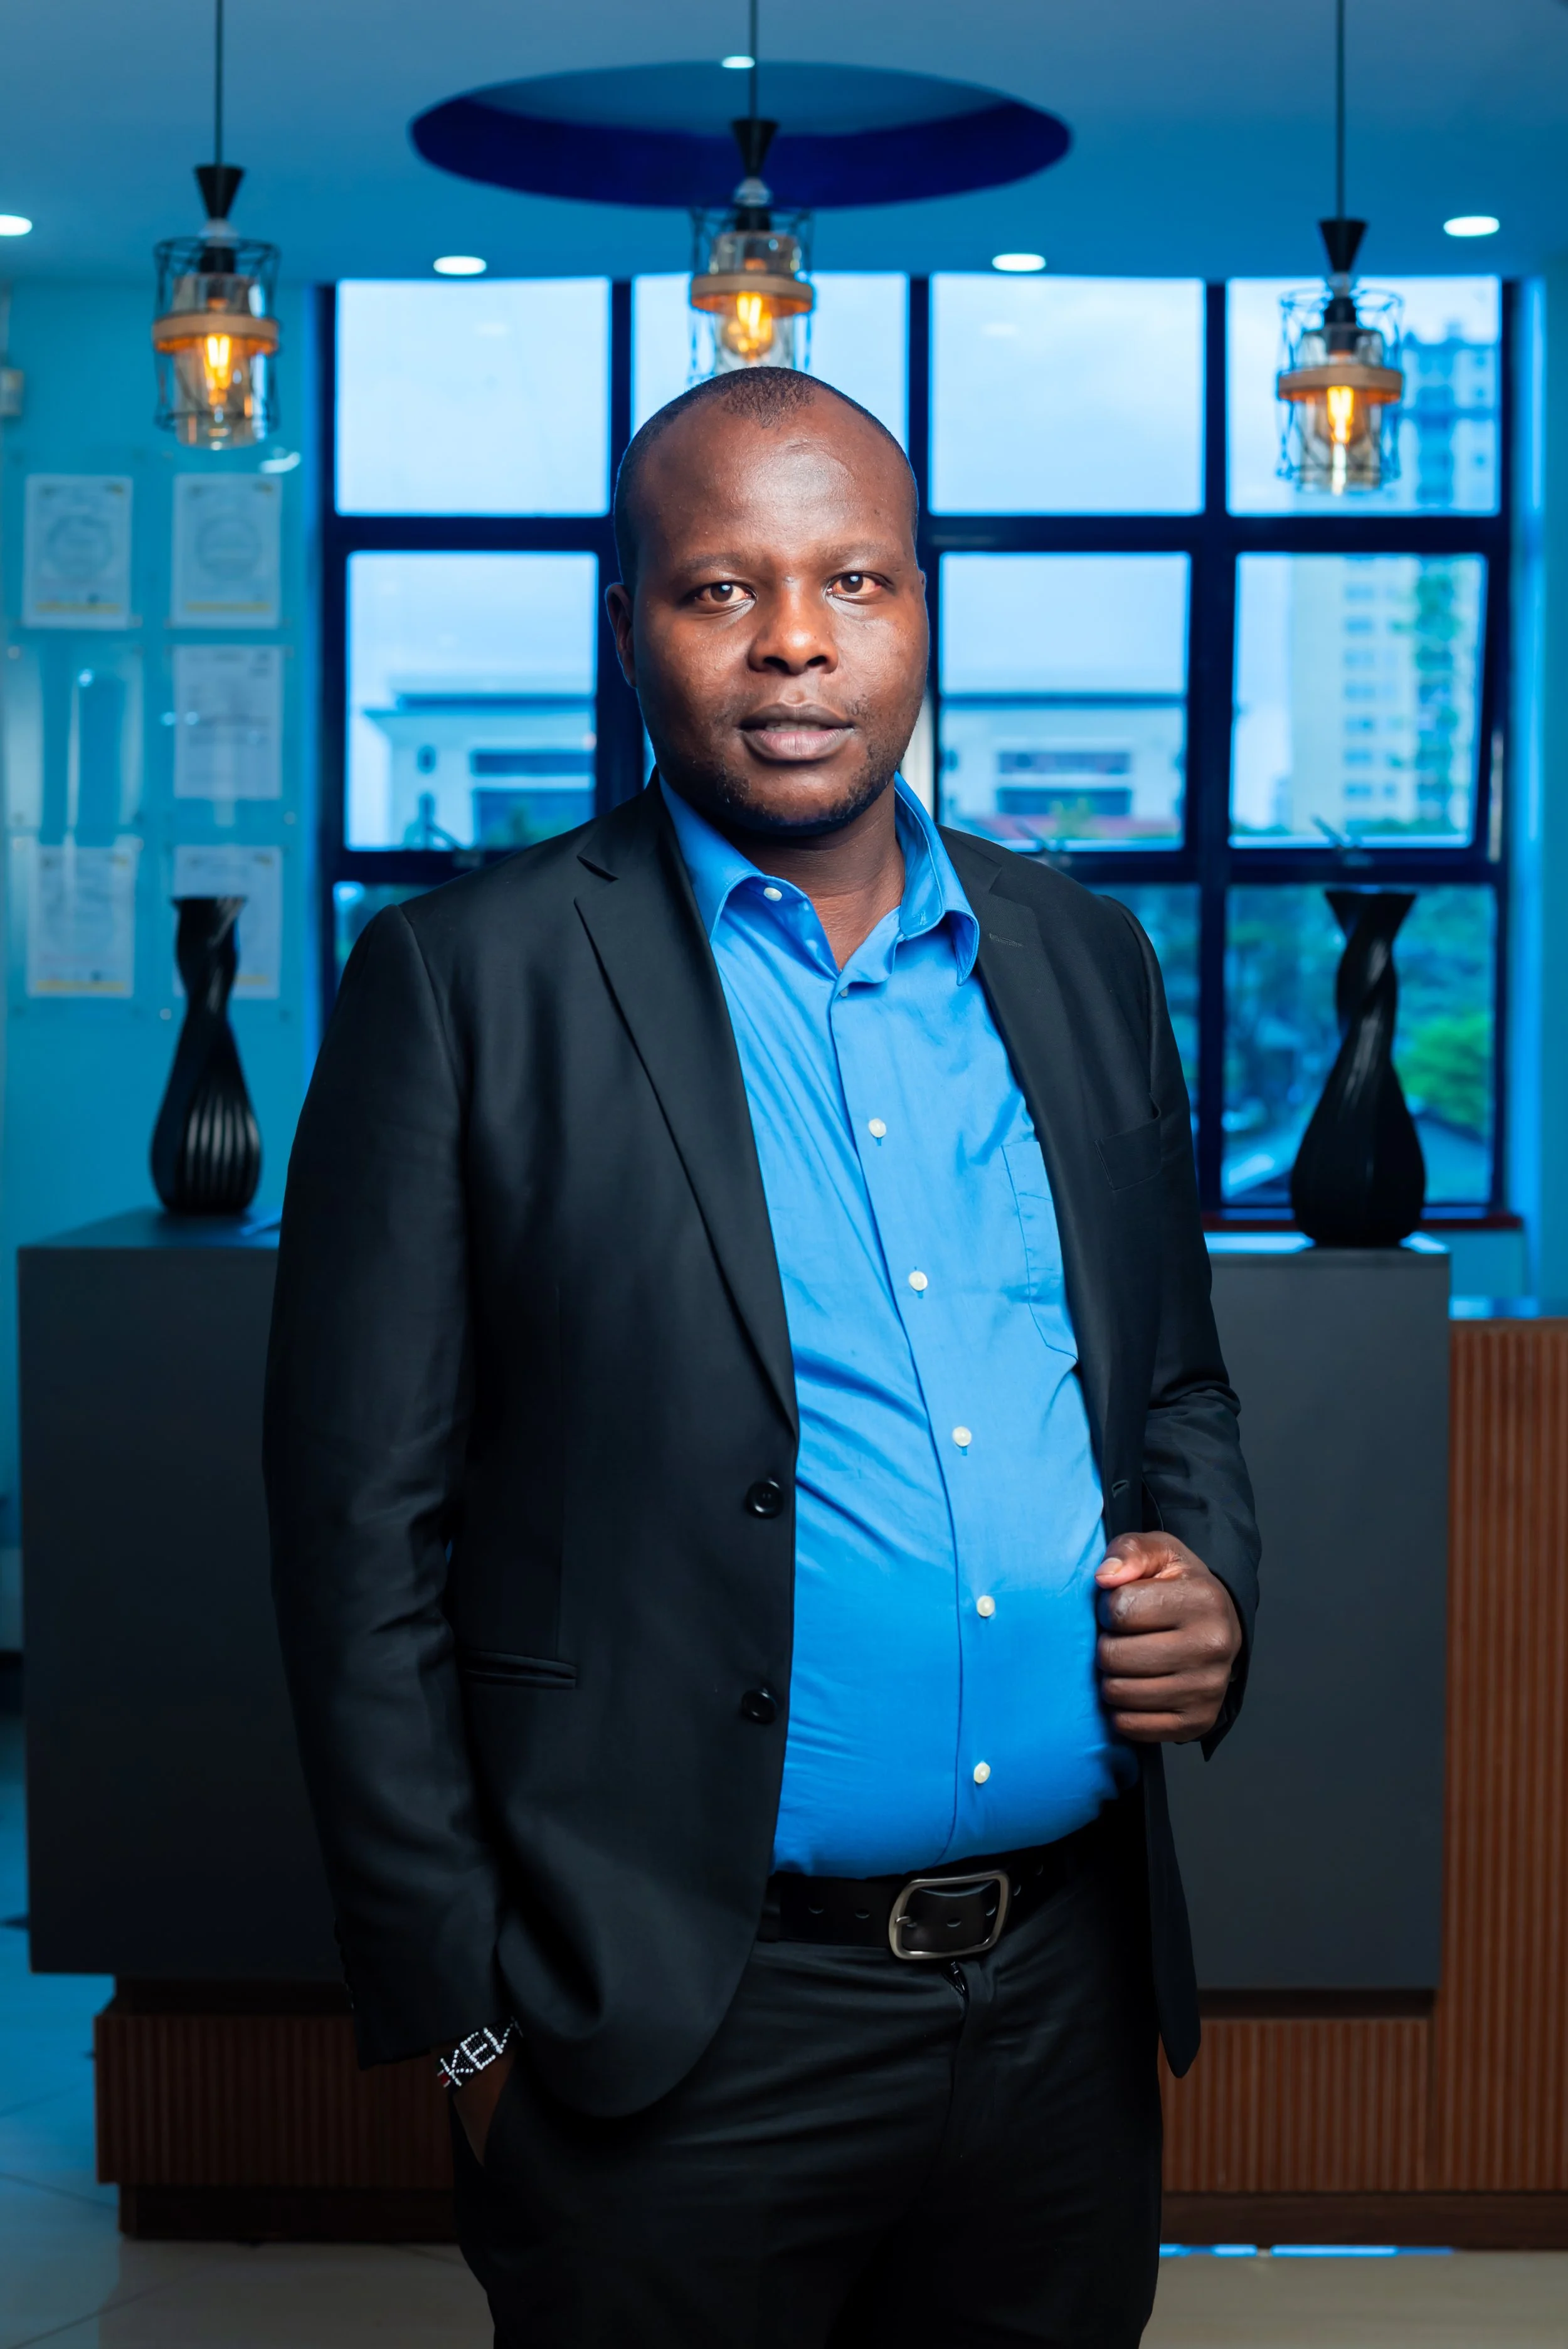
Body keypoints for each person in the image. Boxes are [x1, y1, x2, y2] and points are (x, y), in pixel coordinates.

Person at [265, 366, 1259, 2349]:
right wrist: (465, 2025)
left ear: (921, 609)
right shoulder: (467, 985)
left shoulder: (1085, 960)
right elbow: (353, 1537)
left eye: (855, 581)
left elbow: (1172, 1392)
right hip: (670, 2025)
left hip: (1058, 2007)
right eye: (721, 587)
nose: (796, 638)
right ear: (626, 621)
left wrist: (1210, 1587)